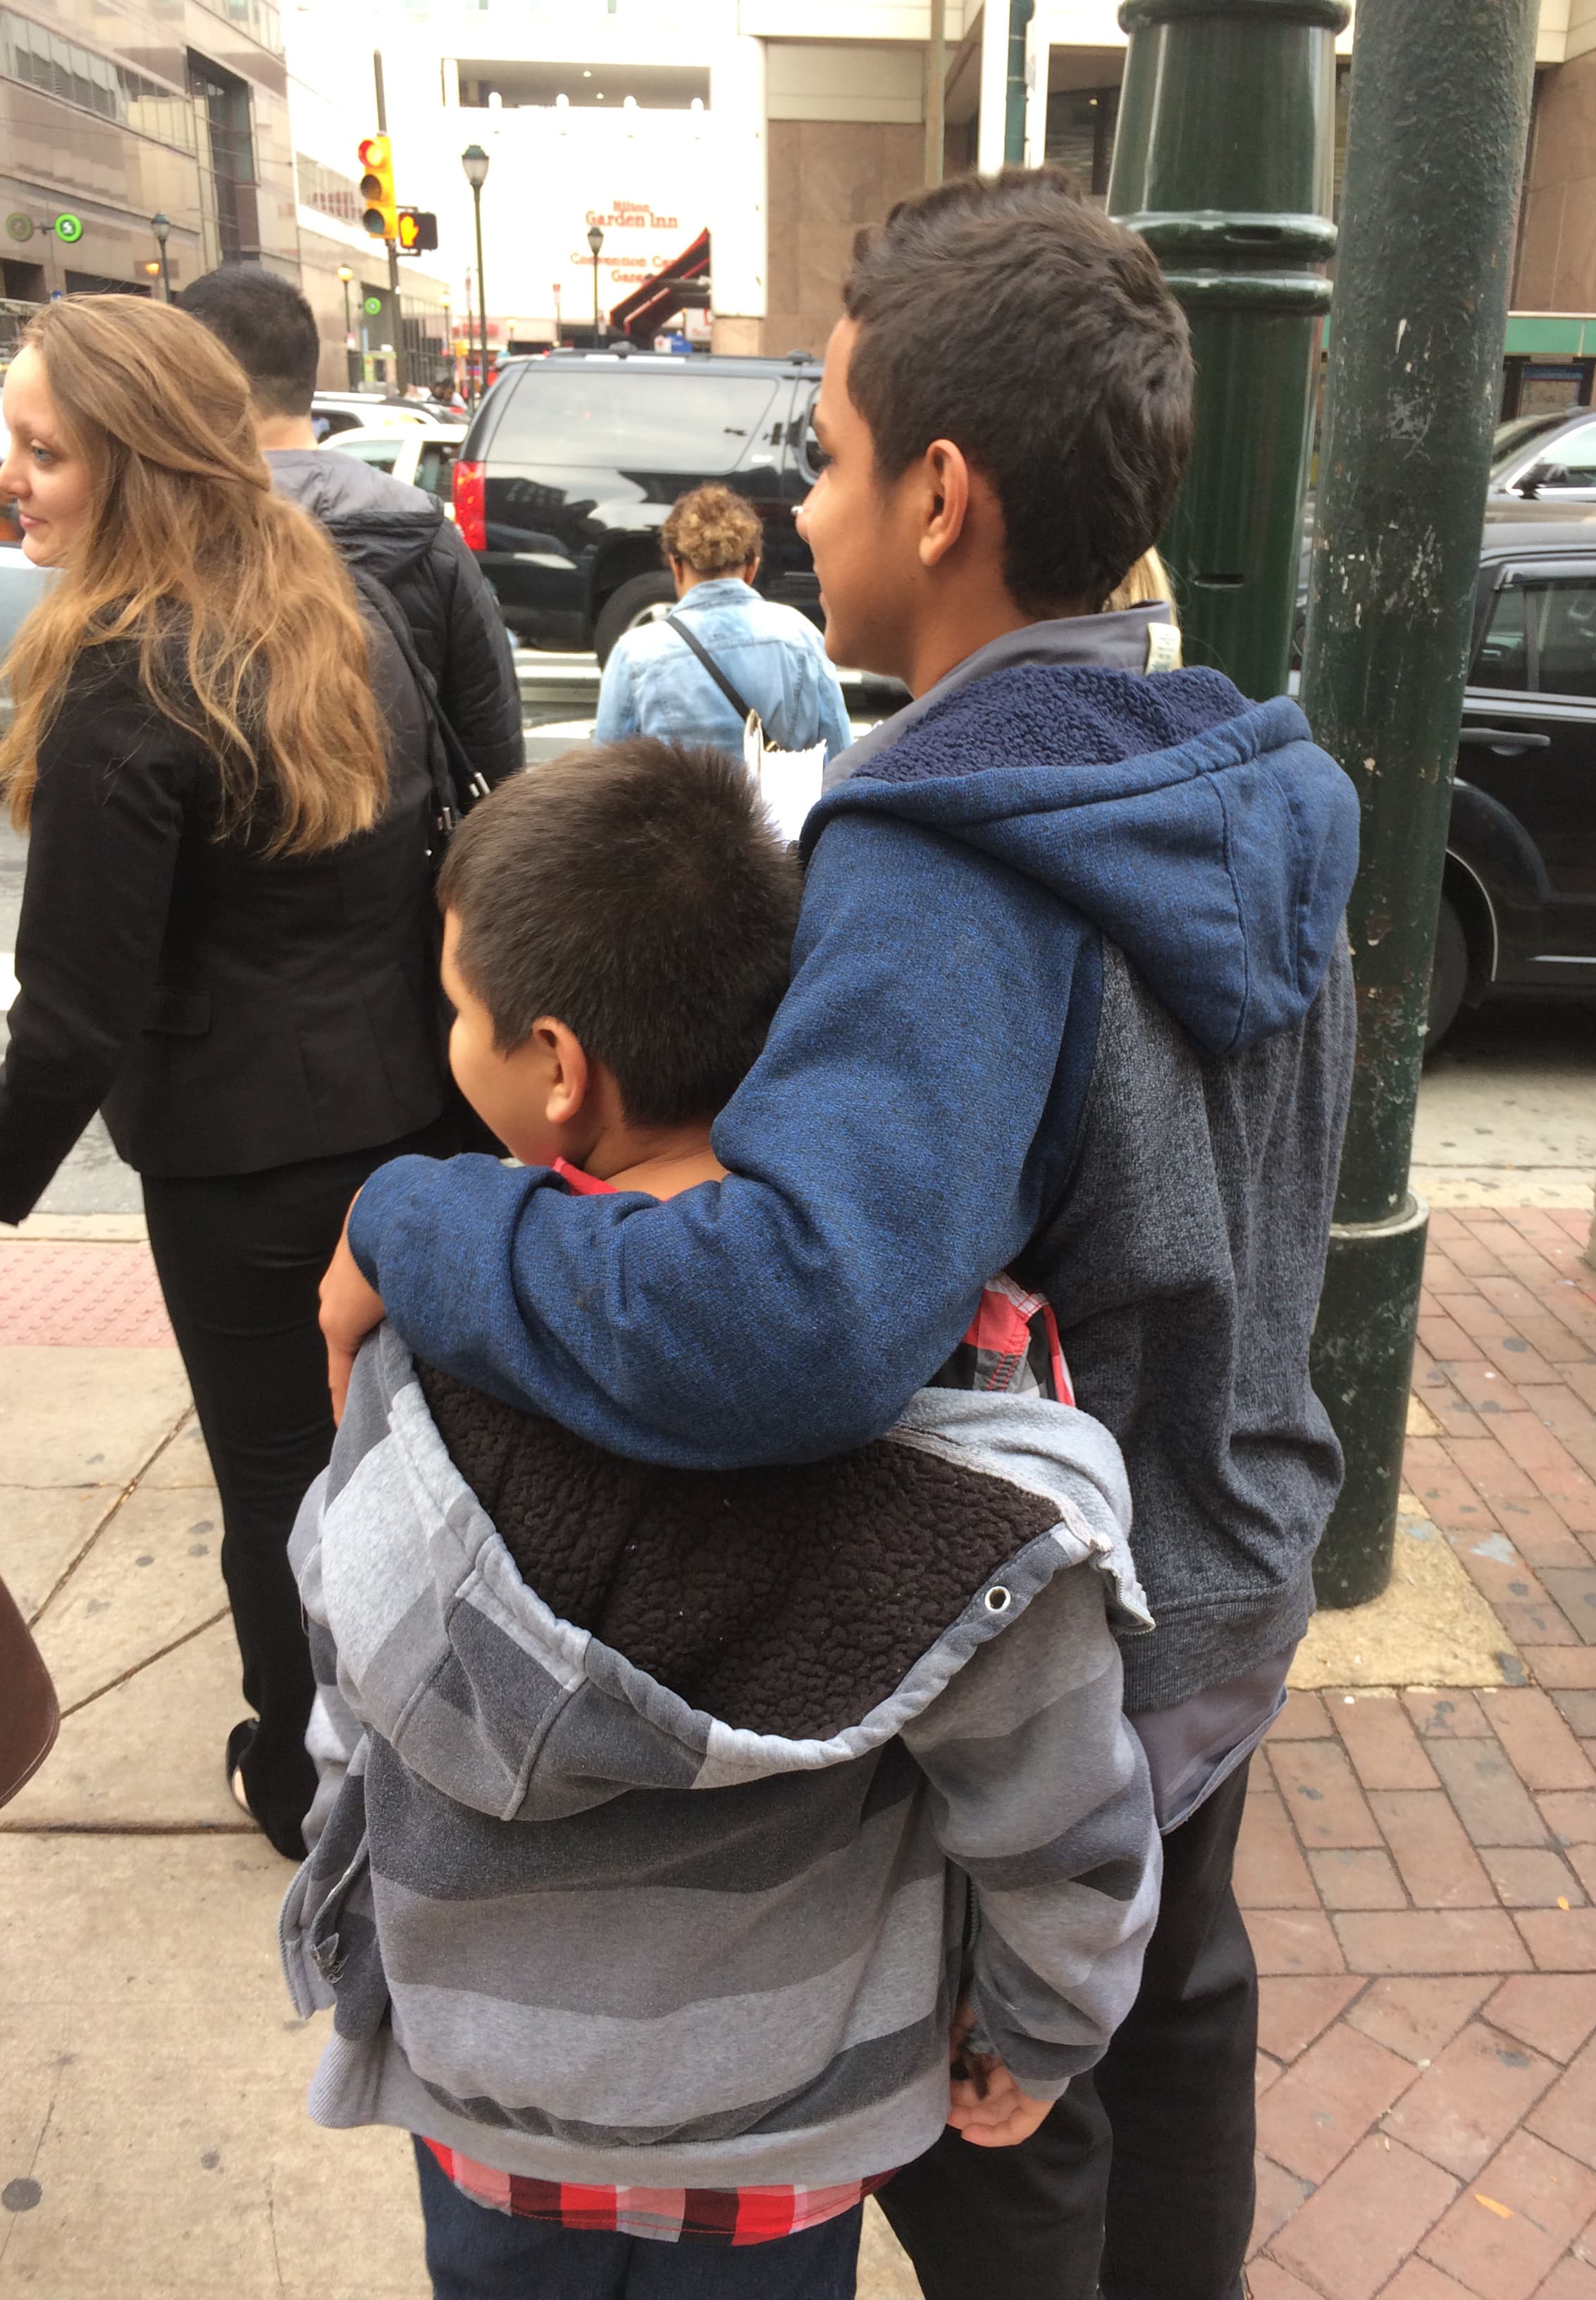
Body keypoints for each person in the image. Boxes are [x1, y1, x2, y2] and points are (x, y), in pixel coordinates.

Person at [319, 169, 1361, 2300]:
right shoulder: (1241, 774)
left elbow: (789, 1318)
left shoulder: (952, 859)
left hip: (1051, 1632)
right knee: (1171, 2047)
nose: (803, 509)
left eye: (837, 456)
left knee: (1010, 2136)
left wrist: (427, 1216)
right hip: (1229, 1575)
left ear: (946, 493)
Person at [285, 742, 1159, 2300]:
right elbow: (1052, 1789)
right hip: (788, 2130)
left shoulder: (427, 1343)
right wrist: (1044, 2023)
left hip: (495, 2100)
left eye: (455, 1011)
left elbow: (351, 1668)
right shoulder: (947, 1368)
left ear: (557, 1066)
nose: (447, 1042)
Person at [0, 295, 464, 1863]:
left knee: (281, 1482)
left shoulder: (128, 679)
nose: (16, 477)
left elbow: (66, 1015)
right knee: (397, 1458)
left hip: (244, 1169)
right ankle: (426, 1739)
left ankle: (309, 1778)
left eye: (44, 449)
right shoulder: (338, 605)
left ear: (136, 463)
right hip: (410, 1116)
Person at [176, 264, 521, 798]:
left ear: (194, 381)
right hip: (408, 864)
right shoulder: (427, 536)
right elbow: (492, 747)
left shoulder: (170, 538)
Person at [593, 483, 851, 760]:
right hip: (780, 804)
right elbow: (839, 753)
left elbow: (608, 774)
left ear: (676, 566)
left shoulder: (636, 654)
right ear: (752, 567)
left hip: (680, 804)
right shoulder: (801, 636)